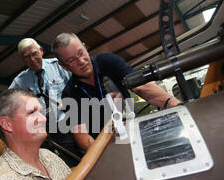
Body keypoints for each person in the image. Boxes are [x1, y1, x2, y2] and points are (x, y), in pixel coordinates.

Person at [52, 32, 181, 152]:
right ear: (63, 66)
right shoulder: (69, 94)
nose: (81, 61)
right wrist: (105, 153)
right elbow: (80, 134)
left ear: (85, 48)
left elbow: (142, 87)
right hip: (106, 146)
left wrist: (174, 103)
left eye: (81, 53)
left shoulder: (108, 62)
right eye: (71, 60)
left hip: (134, 130)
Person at [9, 38, 80, 166]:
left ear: (41, 51)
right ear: (22, 59)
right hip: (41, 130)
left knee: (73, 158)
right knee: (48, 164)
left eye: (34, 53)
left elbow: (78, 84)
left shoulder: (59, 66)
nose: (32, 59)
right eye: (26, 57)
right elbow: (8, 102)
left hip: (64, 123)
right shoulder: (20, 81)